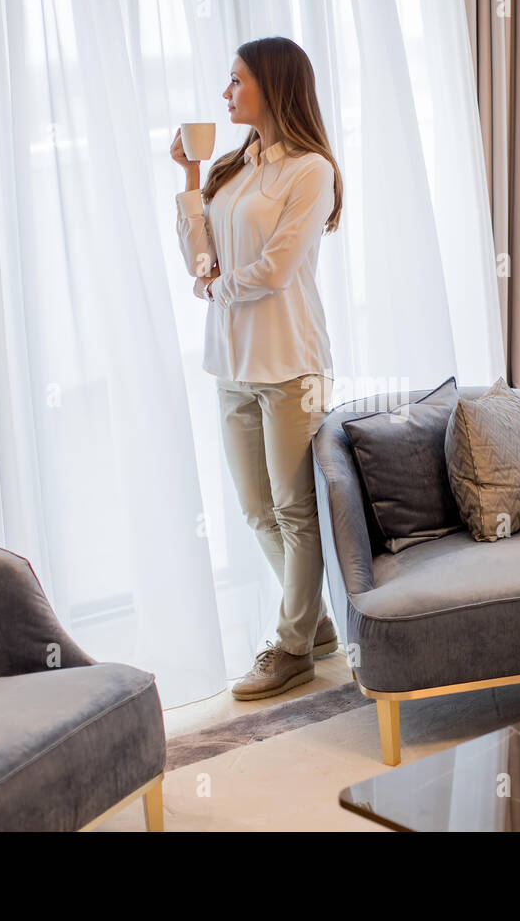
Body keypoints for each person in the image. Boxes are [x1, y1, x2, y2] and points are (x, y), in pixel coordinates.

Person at [170, 37, 343, 699]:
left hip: (291, 363)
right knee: (254, 509)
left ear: (273, 85)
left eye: (236, 80)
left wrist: (214, 285)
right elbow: (198, 259)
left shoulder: (310, 171)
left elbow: (275, 269)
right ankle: (313, 624)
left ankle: (292, 643)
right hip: (232, 364)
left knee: (295, 511)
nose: (225, 93)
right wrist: (189, 180)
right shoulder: (232, 168)